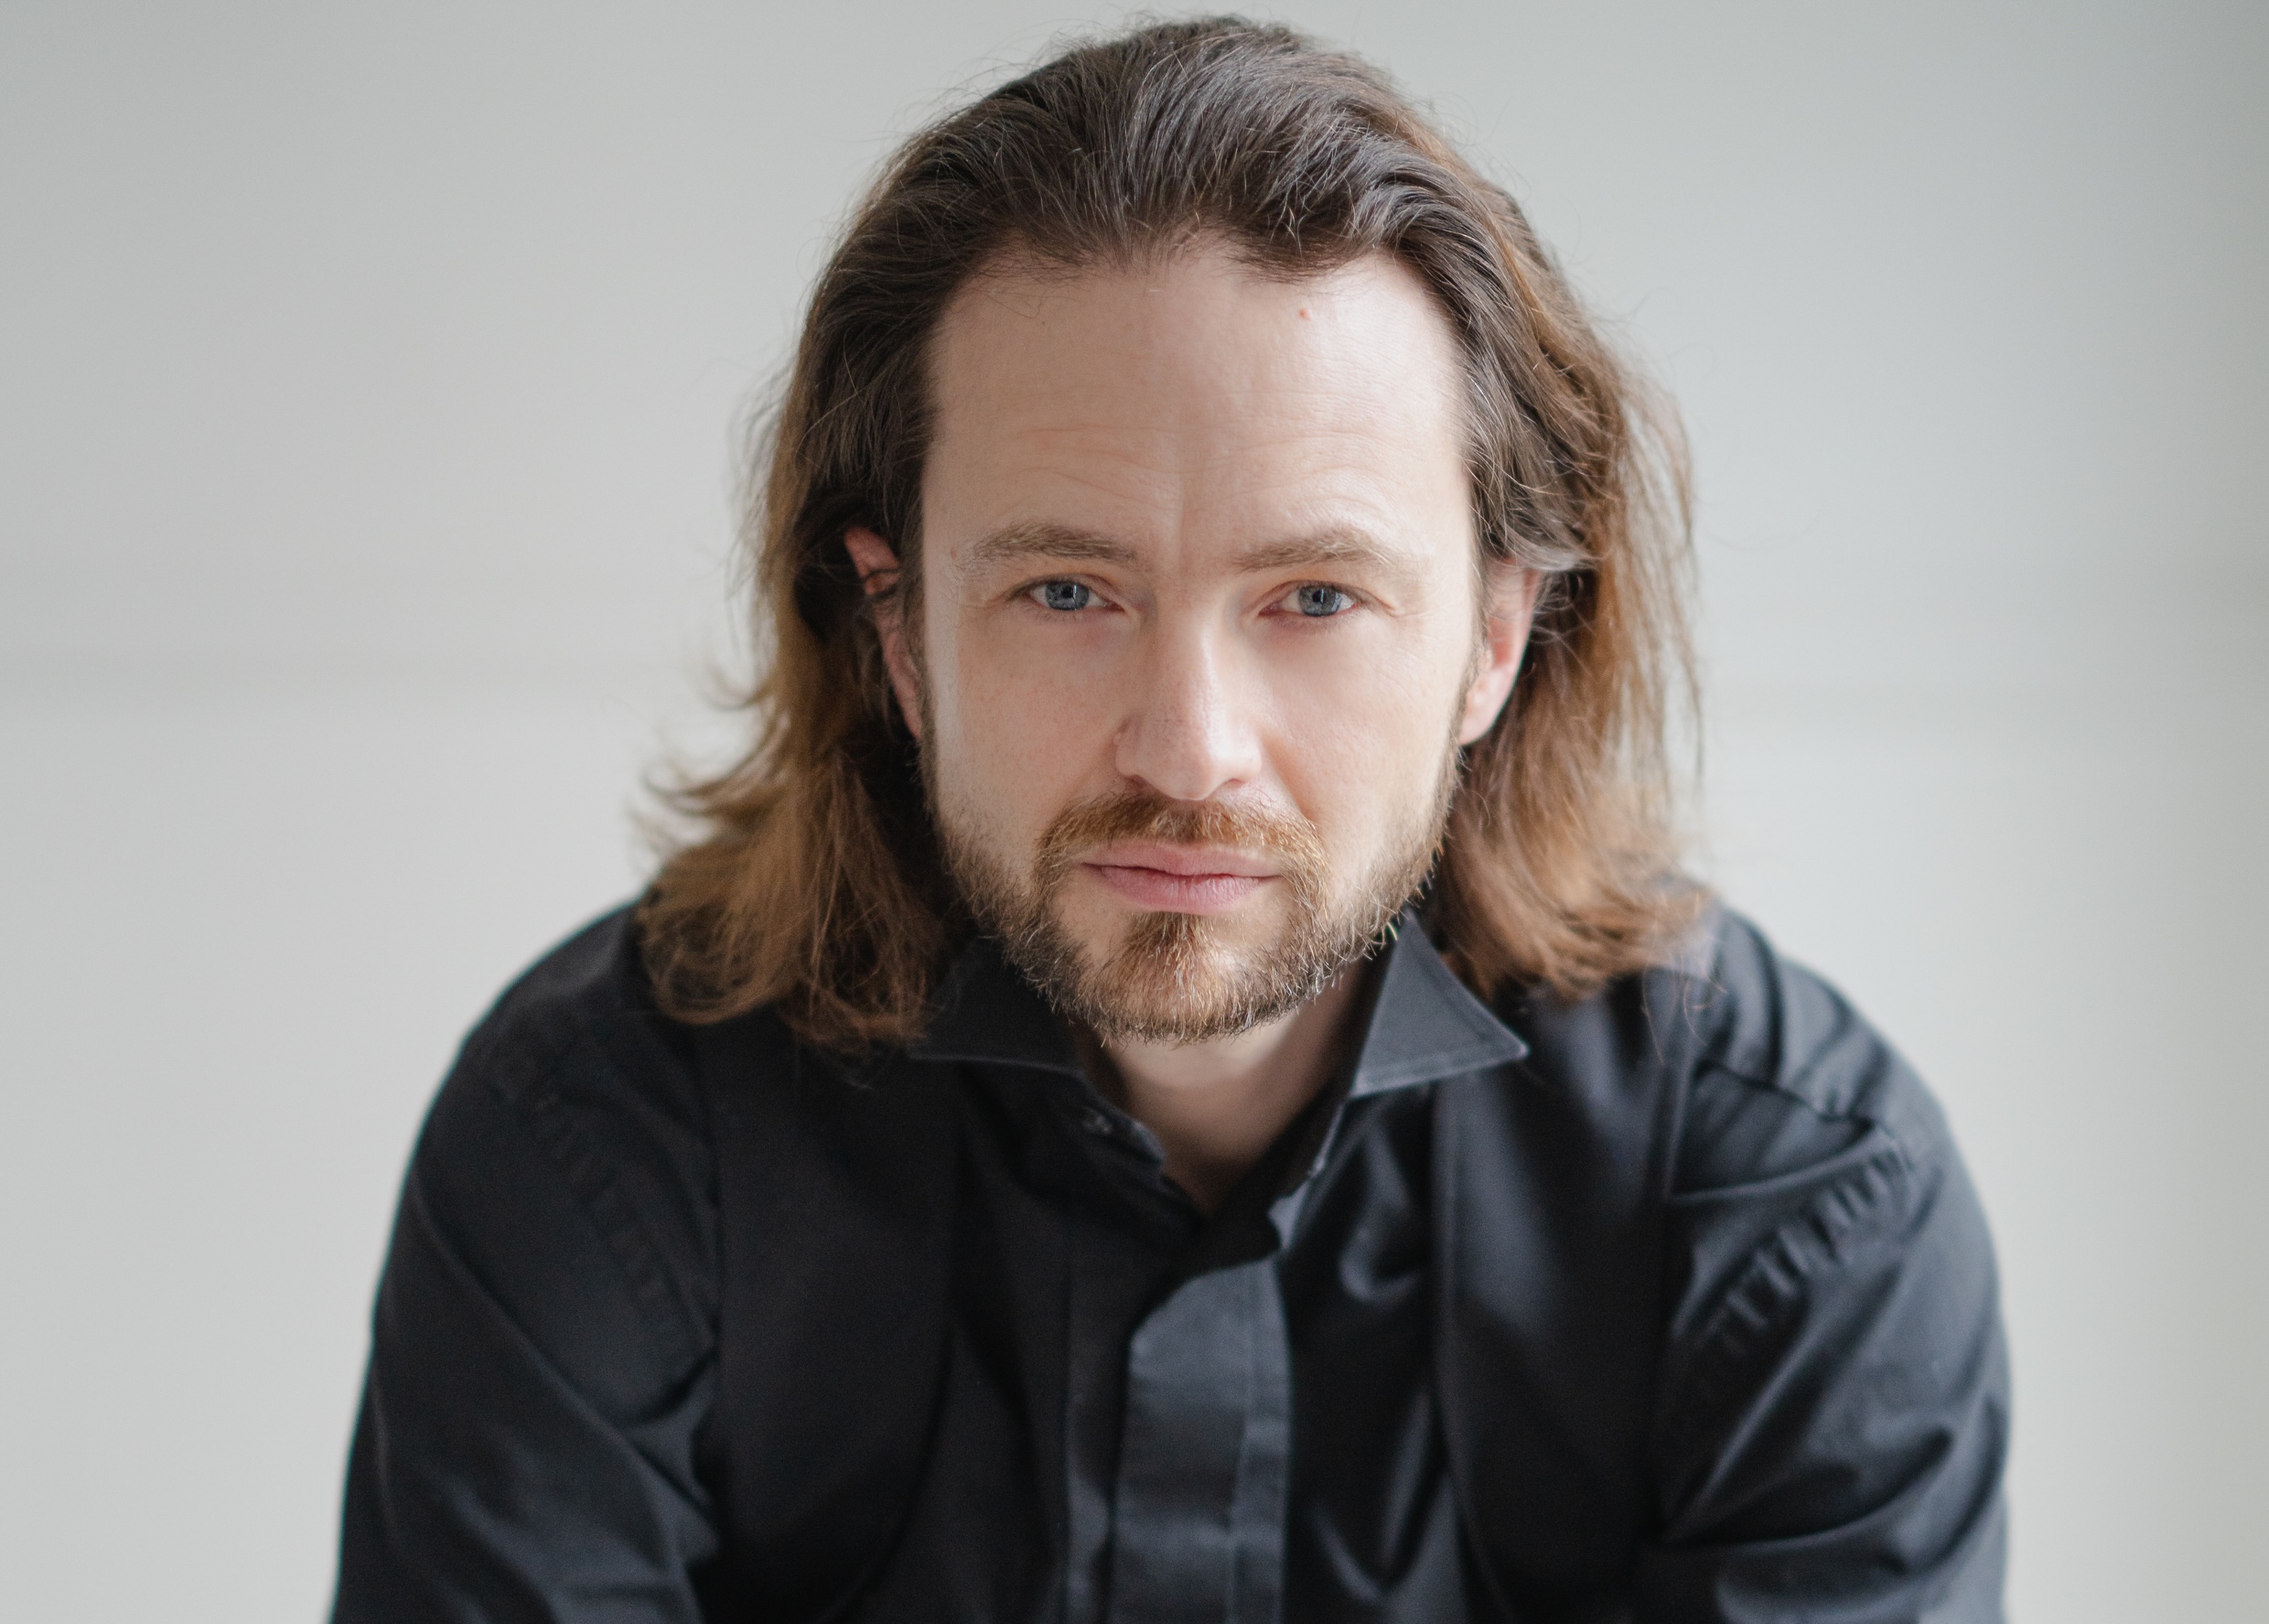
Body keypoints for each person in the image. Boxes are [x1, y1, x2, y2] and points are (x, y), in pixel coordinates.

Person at [331, 18, 2007, 1623]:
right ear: (902, 628)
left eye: (1316, 596)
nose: (1191, 749)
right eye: (1069, 589)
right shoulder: (603, 1143)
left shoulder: (1794, 1199)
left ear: (1494, 639)